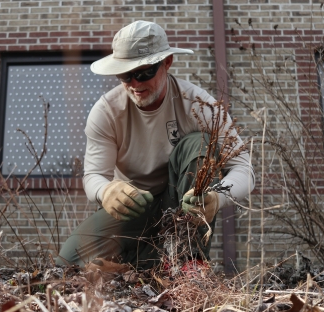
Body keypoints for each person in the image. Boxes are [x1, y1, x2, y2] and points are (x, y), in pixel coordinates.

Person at [55, 20, 255, 269]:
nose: (135, 84)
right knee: (67, 264)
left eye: (144, 72)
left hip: (184, 203)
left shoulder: (199, 105)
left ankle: (188, 262)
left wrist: (217, 197)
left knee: (200, 142)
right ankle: (147, 266)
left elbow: (244, 169)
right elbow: (94, 175)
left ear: (167, 63)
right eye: (125, 75)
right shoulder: (106, 112)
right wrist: (105, 191)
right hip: (135, 207)